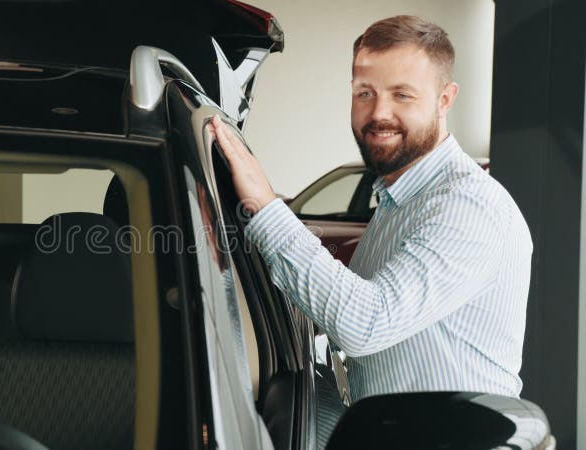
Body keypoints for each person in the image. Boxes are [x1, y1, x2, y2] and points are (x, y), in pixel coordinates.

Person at [209, 15, 533, 401]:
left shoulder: (467, 206)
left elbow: (364, 325)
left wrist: (267, 207)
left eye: (402, 95)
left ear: (444, 100)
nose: (379, 113)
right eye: (365, 93)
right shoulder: (398, 200)